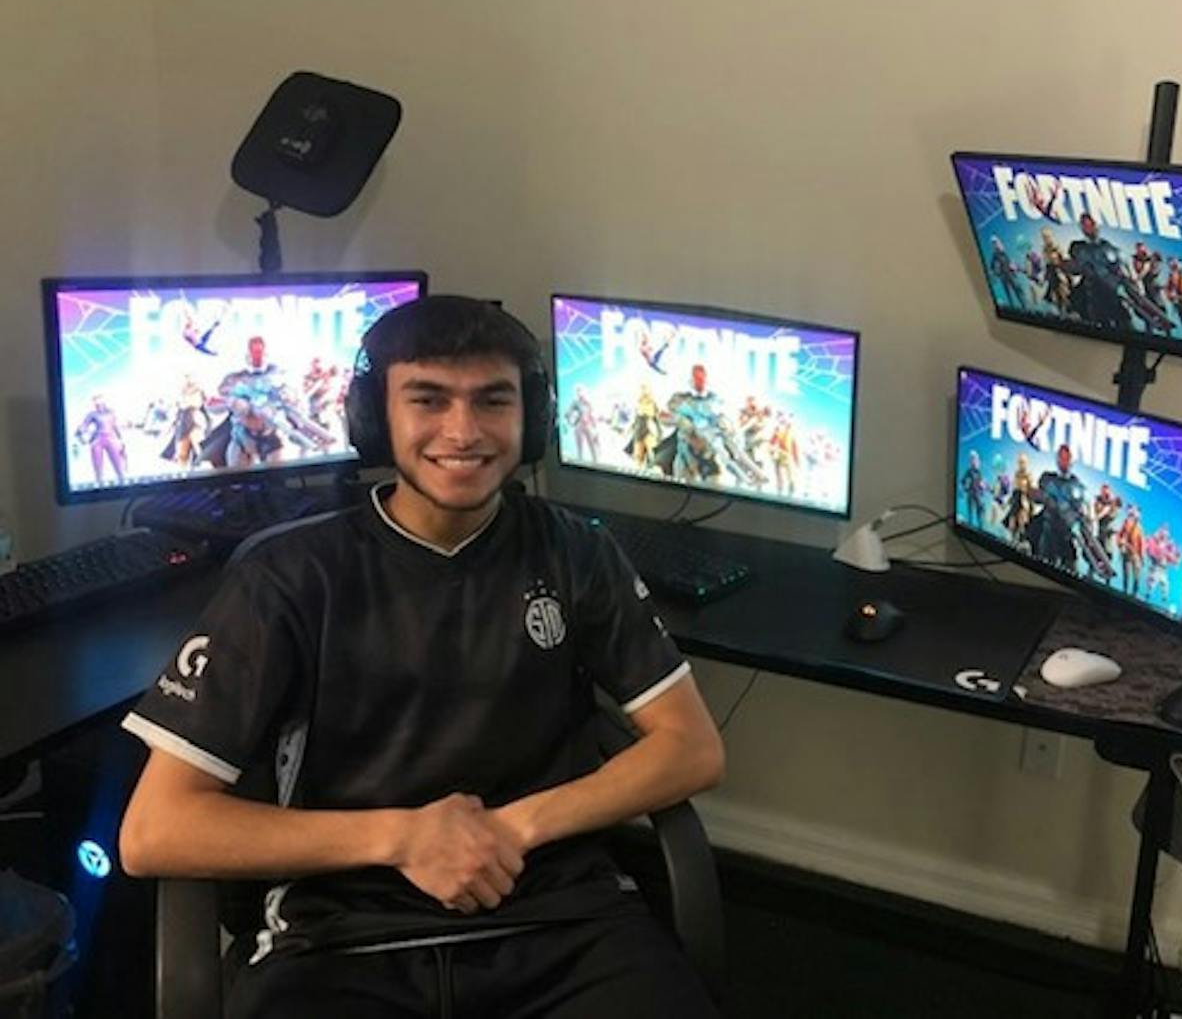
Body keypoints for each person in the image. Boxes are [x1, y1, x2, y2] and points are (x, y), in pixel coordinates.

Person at [118, 295, 726, 1018]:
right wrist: (404, 836)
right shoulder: (288, 575)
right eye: (428, 399)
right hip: (343, 938)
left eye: (492, 399)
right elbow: (154, 830)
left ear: (531, 416)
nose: (462, 431)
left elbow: (691, 747)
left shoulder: (577, 551)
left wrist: (510, 827)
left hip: (563, 922)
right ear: (376, 418)